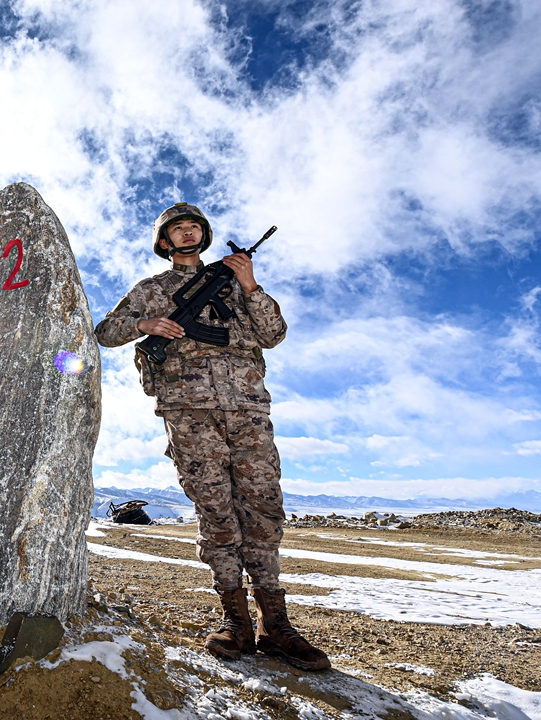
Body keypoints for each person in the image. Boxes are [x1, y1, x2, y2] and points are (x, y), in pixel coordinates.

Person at [94, 202, 329, 671]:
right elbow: (105, 331)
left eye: (193, 228)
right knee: (216, 513)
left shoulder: (239, 284)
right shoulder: (152, 289)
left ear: (203, 236)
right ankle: (235, 620)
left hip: (247, 410)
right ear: (165, 242)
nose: (186, 234)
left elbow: (274, 333)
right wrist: (146, 324)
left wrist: (249, 283)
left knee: (262, 510)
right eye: (177, 230)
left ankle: (276, 625)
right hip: (189, 415)